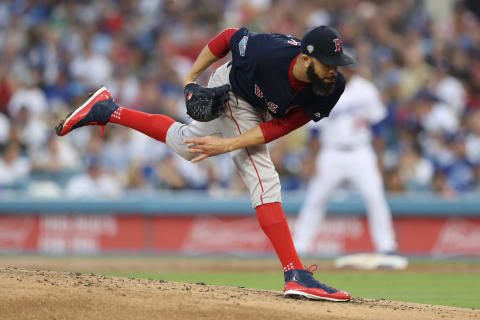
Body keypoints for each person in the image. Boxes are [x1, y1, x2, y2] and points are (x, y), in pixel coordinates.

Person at [56, 26, 353, 301]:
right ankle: (295, 273)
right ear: (304, 59)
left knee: (187, 144)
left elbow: (282, 127)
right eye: (327, 63)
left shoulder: (332, 87)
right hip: (233, 88)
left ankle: (107, 109)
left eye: (337, 63)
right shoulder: (268, 51)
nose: (333, 70)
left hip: (262, 110)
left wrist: (227, 144)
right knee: (263, 177)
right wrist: (190, 78)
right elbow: (228, 37)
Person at [294, 65, 408, 269]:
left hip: (361, 152)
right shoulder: (323, 88)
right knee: (315, 199)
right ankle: (300, 246)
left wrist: (379, 158)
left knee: (375, 197)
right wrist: (312, 160)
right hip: (331, 152)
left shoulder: (367, 89)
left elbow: (378, 127)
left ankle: (387, 246)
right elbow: (315, 131)